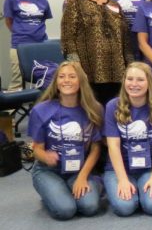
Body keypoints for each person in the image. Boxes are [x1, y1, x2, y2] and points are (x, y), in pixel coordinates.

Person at [28, 61, 103, 220]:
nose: (66, 80)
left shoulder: (93, 109)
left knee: (90, 207)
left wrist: (82, 177)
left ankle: (72, 187)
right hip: (48, 170)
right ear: (56, 83)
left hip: (79, 169)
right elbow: (36, 149)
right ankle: (53, 191)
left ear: (81, 82)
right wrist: (46, 157)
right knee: (66, 210)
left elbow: (96, 148)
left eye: (72, 76)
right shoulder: (41, 110)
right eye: (61, 77)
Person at [102, 62, 152, 216]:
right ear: (124, 81)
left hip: (150, 168)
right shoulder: (112, 106)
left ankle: (140, 191)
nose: (134, 84)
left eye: (140, 80)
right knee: (125, 207)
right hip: (119, 169)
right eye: (130, 79)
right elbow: (113, 146)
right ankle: (123, 188)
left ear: (150, 83)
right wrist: (122, 180)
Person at [61, 0, 132, 104]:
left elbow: (125, 38)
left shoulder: (114, 4)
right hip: (89, 71)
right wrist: (76, 66)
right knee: (93, 113)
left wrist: (129, 64)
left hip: (117, 70)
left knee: (115, 110)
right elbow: (68, 38)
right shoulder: (74, 3)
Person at [4, 0, 51, 91]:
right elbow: (8, 21)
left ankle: (43, 104)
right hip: (19, 44)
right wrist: (21, 32)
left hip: (41, 44)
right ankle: (12, 108)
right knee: (17, 78)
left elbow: (43, 19)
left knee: (45, 75)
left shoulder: (43, 0)